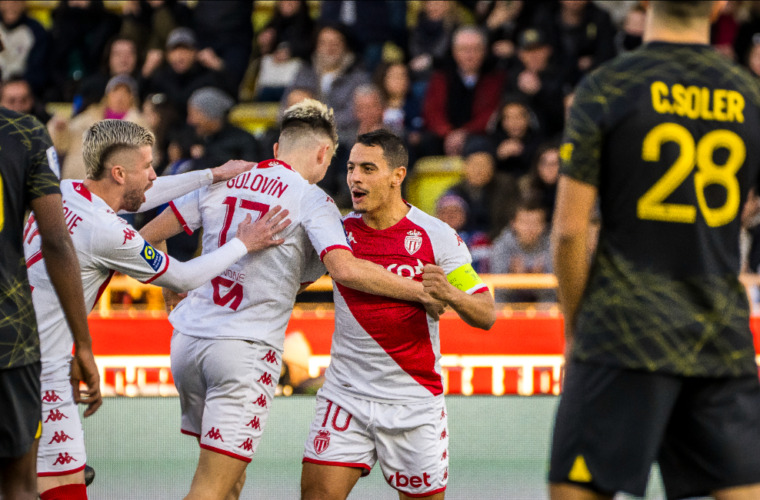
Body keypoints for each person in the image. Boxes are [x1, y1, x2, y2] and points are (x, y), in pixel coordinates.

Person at [138, 99, 443, 500]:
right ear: (323, 154)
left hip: (187, 343)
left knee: (227, 476)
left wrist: (173, 284)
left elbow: (146, 238)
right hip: (242, 353)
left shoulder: (228, 178)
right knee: (210, 487)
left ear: (278, 149)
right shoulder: (313, 200)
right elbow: (345, 269)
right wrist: (422, 291)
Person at [549, 1, 760, 499]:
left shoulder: (608, 86)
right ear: (721, 4)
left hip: (622, 332)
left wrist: (578, 332)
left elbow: (569, 233)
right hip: (719, 337)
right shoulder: (750, 95)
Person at [24, 119, 290, 500]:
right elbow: (181, 278)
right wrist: (242, 244)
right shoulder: (108, 232)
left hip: (20, 353)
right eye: (146, 166)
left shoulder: (66, 191)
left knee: (27, 483)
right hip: (42, 372)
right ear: (118, 173)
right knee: (62, 490)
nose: (153, 174)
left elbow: (143, 195)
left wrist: (212, 175)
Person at [300, 129, 495, 500]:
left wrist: (449, 293)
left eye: (368, 169)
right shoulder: (337, 233)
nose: (355, 177)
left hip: (414, 402)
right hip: (346, 396)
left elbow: (486, 313)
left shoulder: (436, 236)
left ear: (398, 176)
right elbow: (288, 283)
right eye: (352, 168)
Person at [0, 98, 100, 499]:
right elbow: (56, 241)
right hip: (10, 339)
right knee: (21, 487)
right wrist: (85, 345)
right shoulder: (24, 133)